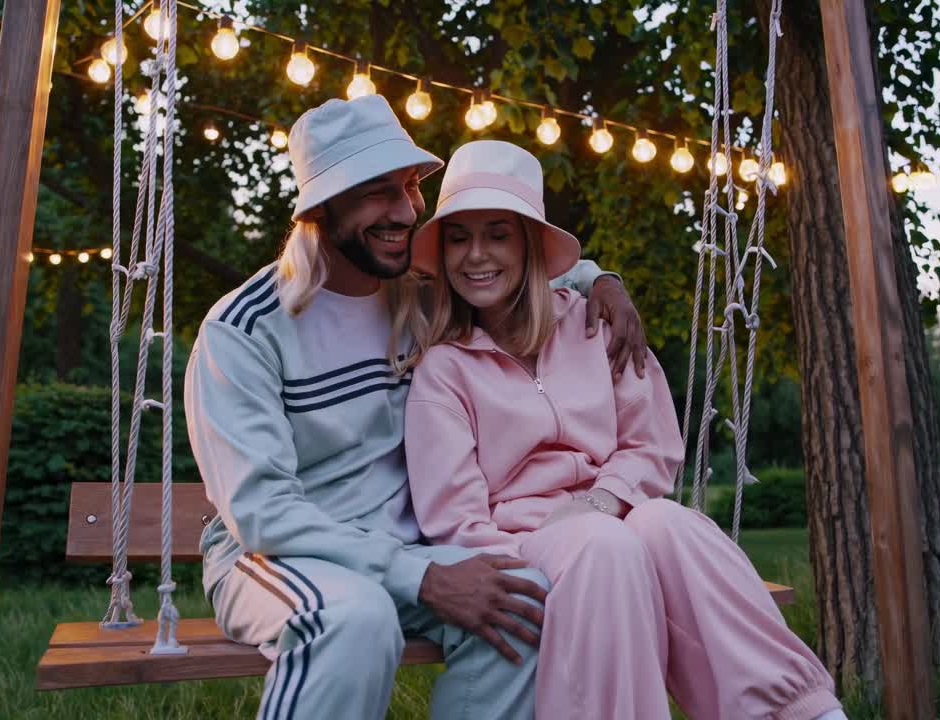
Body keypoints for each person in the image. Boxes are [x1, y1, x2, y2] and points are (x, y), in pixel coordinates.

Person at [184, 95, 648, 720]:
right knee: (353, 617)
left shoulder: (424, 298)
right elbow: (264, 515)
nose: (406, 210)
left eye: (408, 187)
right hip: (276, 560)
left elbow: (519, 269)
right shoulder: (245, 330)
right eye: (380, 192)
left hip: (406, 551)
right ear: (322, 207)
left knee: (521, 600)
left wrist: (599, 279)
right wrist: (420, 576)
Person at [402, 140, 847, 720]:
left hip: (612, 512)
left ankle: (799, 712)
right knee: (606, 549)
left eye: (498, 233)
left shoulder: (596, 326)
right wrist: (559, 539)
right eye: (458, 237)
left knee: (672, 523)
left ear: (531, 244)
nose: (475, 255)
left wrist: (598, 502)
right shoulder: (445, 369)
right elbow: (456, 521)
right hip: (523, 543)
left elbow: (651, 444)